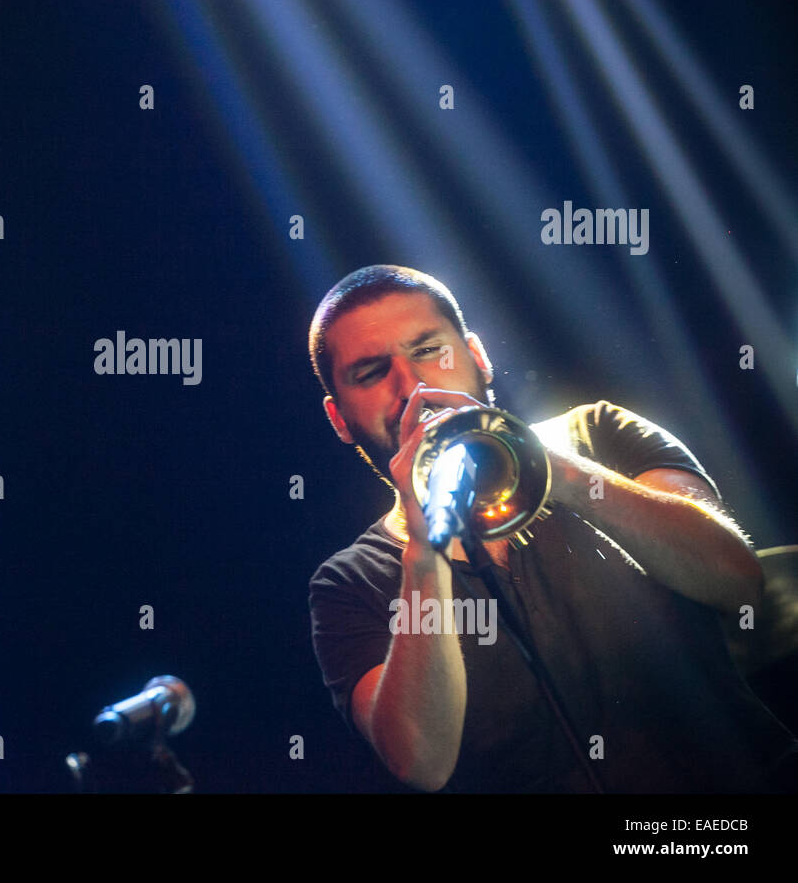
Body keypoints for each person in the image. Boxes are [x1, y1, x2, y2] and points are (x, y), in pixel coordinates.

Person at [307, 264, 798, 792]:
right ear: (339, 419)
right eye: (372, 372)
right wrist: (425, 556)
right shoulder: (347, 584)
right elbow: (422, 763)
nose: (413, 385)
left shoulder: (600, 434)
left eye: (428, 350)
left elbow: (735, 580)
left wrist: (555, 470)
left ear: (478, 357)